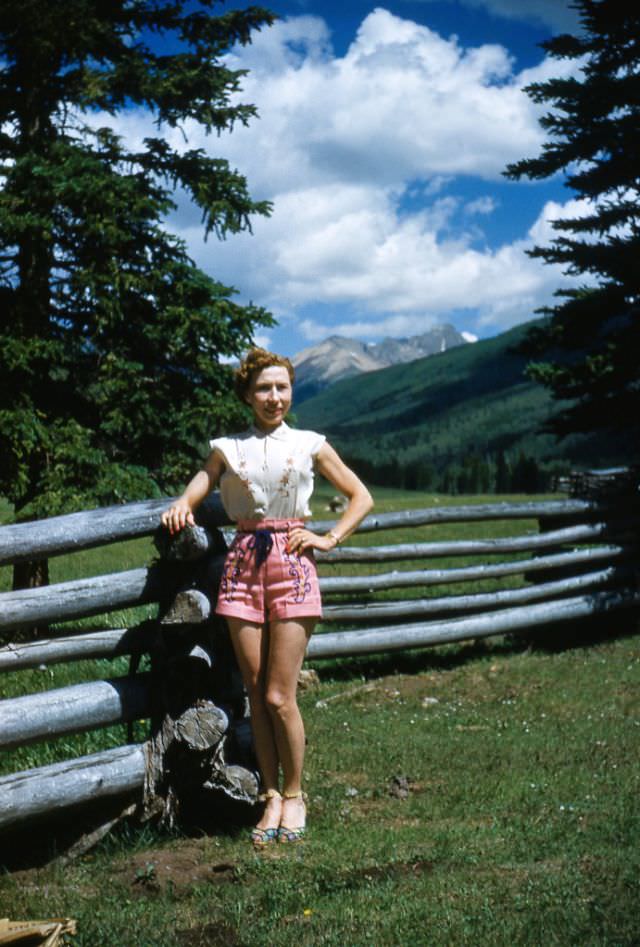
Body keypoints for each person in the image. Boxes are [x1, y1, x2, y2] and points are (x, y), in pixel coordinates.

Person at [161, 348, 373, 846]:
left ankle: (296, 794)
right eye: (263, 388)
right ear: (247, 394)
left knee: (281, 694)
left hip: (292, 564)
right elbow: (205, 479)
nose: (274, 397)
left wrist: (328, 538)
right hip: (241, 567)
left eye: (282, 387)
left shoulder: (309, 443)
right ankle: (270, 796)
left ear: (291, 392)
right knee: (254, 690)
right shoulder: (229, 446)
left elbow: (360, 495)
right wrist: (183, 502)